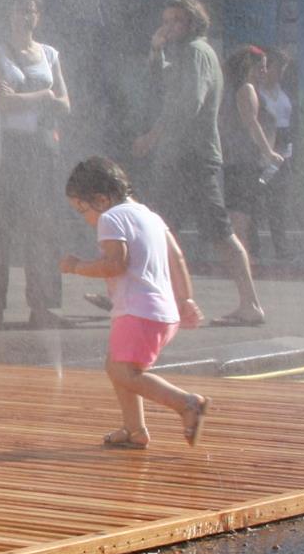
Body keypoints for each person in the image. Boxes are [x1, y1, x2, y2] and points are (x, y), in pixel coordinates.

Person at [60, 156, 211, 449]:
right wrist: (185, 299)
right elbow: (177, 258)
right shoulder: (150, 216)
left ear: (101, 199)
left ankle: (186, 404)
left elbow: (116, 264)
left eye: (82, 210)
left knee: (123, 372)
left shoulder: (110, 218)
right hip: (162, 312)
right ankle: (134, 430)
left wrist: (77, 266)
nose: (85, 218)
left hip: (137, 310)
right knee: (119, 367)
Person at [131, 0, 265, 326]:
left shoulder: (195, 53)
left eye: (176, 20)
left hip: (193, 159)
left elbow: (187, 104)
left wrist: (153, 136)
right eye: (166, 20)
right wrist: (156, 49)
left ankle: (250, 304)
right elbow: (161, 84)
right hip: (180, 158)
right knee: (157, 227)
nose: (169, 26)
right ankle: (141, 296)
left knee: (218, 231)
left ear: (192, 22)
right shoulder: (185, 54)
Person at [0, 0, 70, 328]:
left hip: (42, 149)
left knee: (42, 229)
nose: (25, 17)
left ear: (38, 17)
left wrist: (30, 98)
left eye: (31, 11)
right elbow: (4, 103)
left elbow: (66, 103)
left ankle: (42, 306)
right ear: (10, 16)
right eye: (19, 10)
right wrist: (44, 96)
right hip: (9, 149)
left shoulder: (49, 54)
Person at [219, 45, 285, 270]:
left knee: (242, 211)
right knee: (241, 214)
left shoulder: (235, 88)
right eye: (262, 67)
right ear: (251, 67)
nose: (265, 72)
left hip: (237, 159)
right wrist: (269, 152)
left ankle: (241, 257)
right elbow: (251, 123)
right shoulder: (246, 89)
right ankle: (241, 260)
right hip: (243, 160)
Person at [258, 47, 296, 261]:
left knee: (279, 201)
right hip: (266, 147)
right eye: (277, 68)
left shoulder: (282, 90)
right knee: (258, 195)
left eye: (283, 69)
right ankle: (252, 245)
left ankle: (281, 247)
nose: (280, 73)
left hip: (284, 150)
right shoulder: (258, 91)